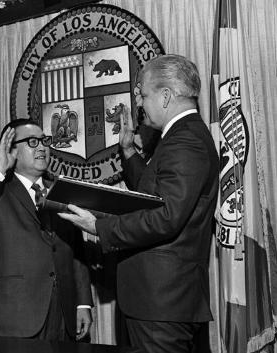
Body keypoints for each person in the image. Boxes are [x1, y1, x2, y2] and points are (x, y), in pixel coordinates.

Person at [58, 54, 219, 353]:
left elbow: (166, 216)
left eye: (143, 94)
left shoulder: (186, 141)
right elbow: (154, 195)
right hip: (162, 302)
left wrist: (100, 227)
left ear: (166, 96)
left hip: (162, 303)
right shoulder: (182, 138)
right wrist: (129, 151)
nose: (140, 103)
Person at [0, 119, 93, 341]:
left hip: (62, 313)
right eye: (32, 142)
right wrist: (0, 168)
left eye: (44, 141)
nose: (41, 147)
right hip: (14, 316)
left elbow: (75, 249)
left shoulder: (63, 191)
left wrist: (82, 302)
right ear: (13, 150)